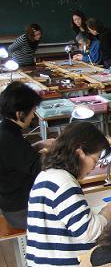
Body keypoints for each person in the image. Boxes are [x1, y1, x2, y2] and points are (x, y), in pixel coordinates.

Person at [26, 122, 111, 267]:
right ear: (79, 153)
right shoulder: (63, 182)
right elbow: (88, 232)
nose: (94, 168)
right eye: (94, 160)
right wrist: (107, 214)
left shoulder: (49, 175)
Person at [0, 82, 54, 229]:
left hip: (14, 204)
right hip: (21, 211)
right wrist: (63, 150)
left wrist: (40, 145)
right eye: (32, 111)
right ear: (19, 114)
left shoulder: (6, 129)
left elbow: (15, 158)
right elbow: (39, 168)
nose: (33, 116)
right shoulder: (9, 138)